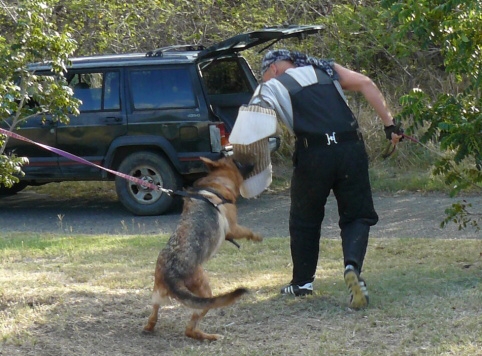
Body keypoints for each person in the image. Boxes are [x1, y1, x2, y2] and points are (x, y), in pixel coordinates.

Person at [249, 49, 403, 309]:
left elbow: (252, 123)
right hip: (350, 148)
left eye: (263, 74)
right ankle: (352, 267)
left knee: (304, 219)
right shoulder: (326, 68)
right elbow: (366, 83)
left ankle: (302, 283)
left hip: (313, 153)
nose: (263, 79)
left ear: (273, 68)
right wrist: (390, 125)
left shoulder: (273, 85)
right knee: (357, 215)